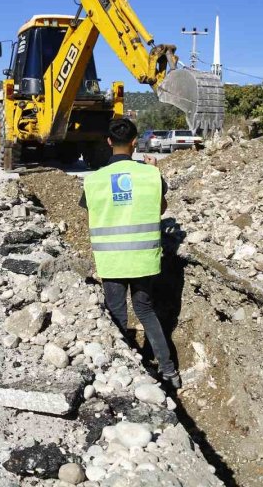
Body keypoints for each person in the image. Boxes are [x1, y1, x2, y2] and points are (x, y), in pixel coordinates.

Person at [79, 119, 180, 390]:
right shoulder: (150, 174)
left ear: (109, 142)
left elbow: (93, 212)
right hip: (144, 258)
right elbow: (159, 209)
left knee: (116, 314)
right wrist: (154, 173)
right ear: (135, 142)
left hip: (111, 258)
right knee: (146, 311)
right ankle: (169, 372)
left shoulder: (94, 180)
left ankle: (121, 370)